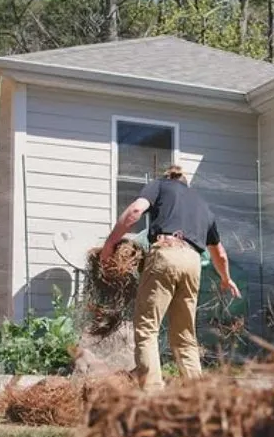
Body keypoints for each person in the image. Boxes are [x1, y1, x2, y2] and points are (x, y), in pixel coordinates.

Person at [99, 165, 241, 391]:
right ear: (186, 183)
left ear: (169, 178)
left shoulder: (161, 186)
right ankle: (198, 396)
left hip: (166, 252)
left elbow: (135, 211)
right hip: (193, 262)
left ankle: (153, 394)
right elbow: (220, 254)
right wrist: (226, 279)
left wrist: (109, 244)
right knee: (185, 336)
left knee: (147, 328)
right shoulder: (202, 205)